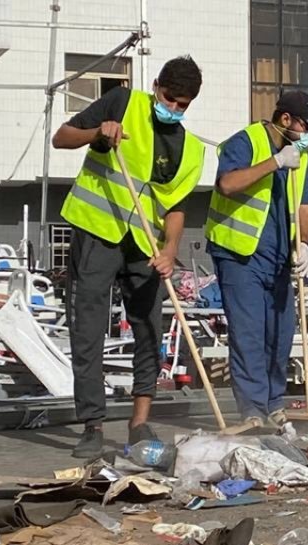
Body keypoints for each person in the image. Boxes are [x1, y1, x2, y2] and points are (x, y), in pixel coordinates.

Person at [52, 56, 206, 458]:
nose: (172, 108)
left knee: (149, 331)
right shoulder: (121, 102)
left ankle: (139, 424)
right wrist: (96, 134)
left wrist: (171, 251)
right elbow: (61, 137)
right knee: (87, 329)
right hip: (97, 234)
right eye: (169, 99)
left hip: (145, 247)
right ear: (156, 86)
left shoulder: (189, 149)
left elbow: (175, 208)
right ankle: (92, 425)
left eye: (182, 105)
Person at [208, 91, 308, 431]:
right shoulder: (245, 141)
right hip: (239, 254)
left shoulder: (300, 153)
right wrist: (274, 162)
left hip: (279, 258)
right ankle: (252, 410)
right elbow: (227, 183)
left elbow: (304, 204)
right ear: (285, 120)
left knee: (280, 332)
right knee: (249, 334)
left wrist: (305, 244)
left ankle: (274, 404)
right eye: (306, 126)